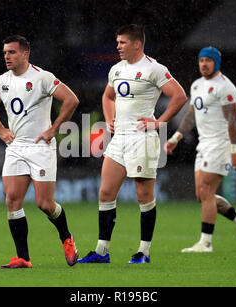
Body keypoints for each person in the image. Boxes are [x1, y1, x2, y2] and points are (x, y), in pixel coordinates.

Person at [77, 24, 187, 264]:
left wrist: (159, 122)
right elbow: (107, 96)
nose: (118, 46)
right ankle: (101, 251)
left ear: (137, 44)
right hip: (120, 139)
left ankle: (143, 252)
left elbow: (179, 96)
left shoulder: (154, 69)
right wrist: (108, 120)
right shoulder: (116, 69)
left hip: (142, 138)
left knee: (143, 195)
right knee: (105, 192)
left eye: (122, 42)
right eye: (117, 42)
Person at [0, 35, 80, 268]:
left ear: (25, 54)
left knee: (44, 204)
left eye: (12, 52)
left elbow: (71, 100)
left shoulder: (42, 77)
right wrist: (0, 130)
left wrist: (54, 129)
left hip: (40, 146)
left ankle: (67, 238)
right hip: (16, 147)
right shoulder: (2, 81)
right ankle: (23, 257)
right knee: (12, 200)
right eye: (5, 52)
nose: (7, 56)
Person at [165, 47, 236, 252]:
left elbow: (232, 121)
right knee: (202, 195)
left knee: (206, 191)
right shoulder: (197, 85)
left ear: (216, 63)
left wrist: (235, 150)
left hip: (220, 144)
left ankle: (206, 243)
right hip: (203, 144)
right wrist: (175, 137)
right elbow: (191, 115)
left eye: (208, 60)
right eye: (201, 61)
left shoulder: (225, 87)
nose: (204, 64)